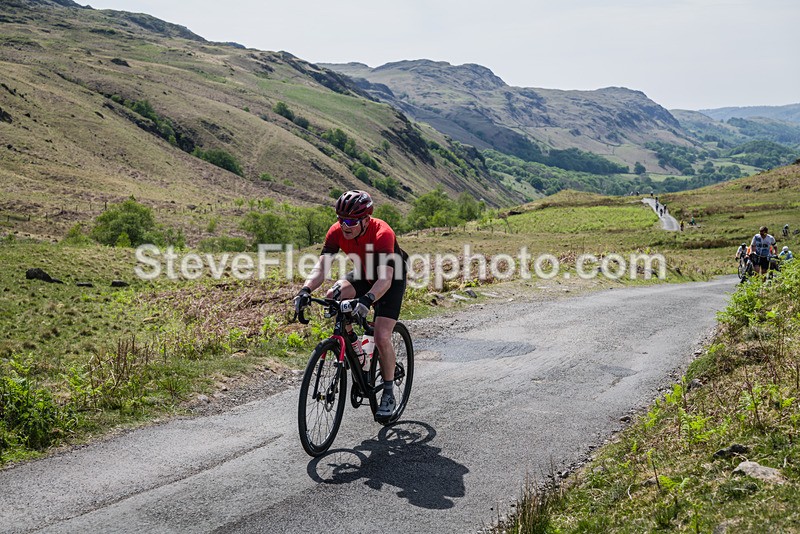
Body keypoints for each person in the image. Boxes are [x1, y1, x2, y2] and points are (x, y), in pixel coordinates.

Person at [293, 190, 407, 421]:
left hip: (389, 279)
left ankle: (387, 393)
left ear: (366, 219)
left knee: (383, 336)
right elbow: (321, 268)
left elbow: (384, 279)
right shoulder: (336, 232)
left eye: (351, 221)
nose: (345, 225)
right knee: (332, 295)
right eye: (340, 219)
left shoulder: (383, 233)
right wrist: (304, 290)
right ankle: (356, 349)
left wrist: (367, 300)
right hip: (364, 274)